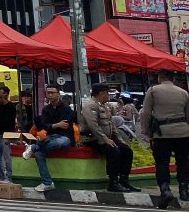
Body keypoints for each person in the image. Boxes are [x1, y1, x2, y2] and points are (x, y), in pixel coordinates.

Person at [142, 68, 189, 202]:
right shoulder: (184, 93)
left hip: (162, 133)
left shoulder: (153, 91)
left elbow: (145, 113)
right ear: (173, 79)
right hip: (183, 132)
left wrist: (145, 131)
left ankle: (165, 189)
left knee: (162, 163)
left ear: (159, 78)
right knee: (183, 162)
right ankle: (184, 190)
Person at [79, 84, 137, 193]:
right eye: (107, 93)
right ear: (101, 93)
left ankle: (124, 180)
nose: (109, 96)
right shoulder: (90, 106)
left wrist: (119, 139)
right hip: (93, 139)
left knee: (127, 150)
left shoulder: (104, 106)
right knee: (113, 151)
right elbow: (93, 126)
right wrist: (105, 139)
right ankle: (113, 182)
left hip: (108, 137)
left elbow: (112, 124)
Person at [21, 86, 74, 192]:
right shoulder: (46, 109)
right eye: (48, 92)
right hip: (50, 137)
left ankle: (33, 147)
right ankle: (47, 182)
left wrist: (52, 126)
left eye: (52, 92)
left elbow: (65, 125)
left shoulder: (66, 108)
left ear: (58, 94)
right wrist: (56, 125)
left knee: (60, 141)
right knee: (39, 154)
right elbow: (44, 126)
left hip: (65, 137)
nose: (50, 95)